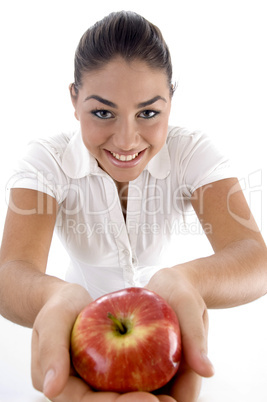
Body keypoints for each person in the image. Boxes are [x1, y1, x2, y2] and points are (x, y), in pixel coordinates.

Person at [0, 10, 266, 402]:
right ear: (74, 100)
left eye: (148, 113)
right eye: (102, 112)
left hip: (170, 347)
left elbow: (255, 256)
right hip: (76, 346)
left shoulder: (190, 152)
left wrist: (186, 281)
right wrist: (58, 299)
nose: (126, 141)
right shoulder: (47, 160)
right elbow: (10, 272)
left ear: (170, 102)